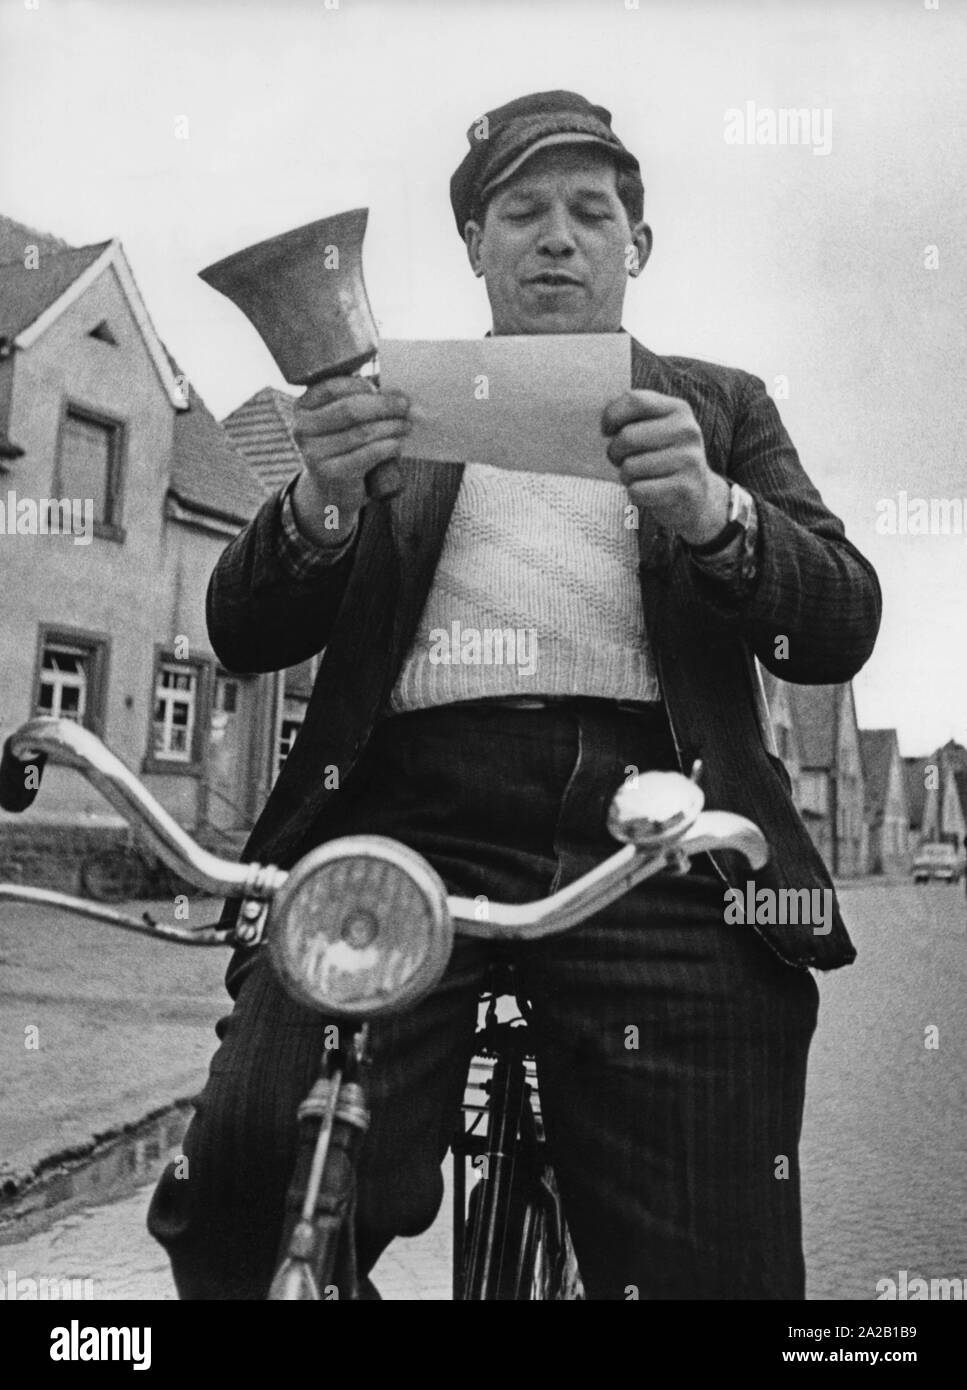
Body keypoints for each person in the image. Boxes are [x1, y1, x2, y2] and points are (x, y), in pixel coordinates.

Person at [148, 90, 881, 1300]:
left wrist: (718, 516)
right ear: (474, 247)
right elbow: (243, 628)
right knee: (243, 1186)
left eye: (592, 212)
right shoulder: (387, 404)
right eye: (522, 211)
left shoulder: (722, 404)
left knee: (718, 1271)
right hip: (398, 827)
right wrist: (322, 502)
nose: (558, 236)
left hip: (660, 838)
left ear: (635, 247)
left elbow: (838, 627)